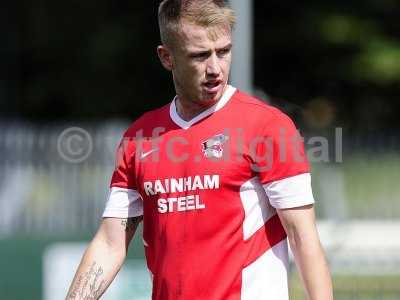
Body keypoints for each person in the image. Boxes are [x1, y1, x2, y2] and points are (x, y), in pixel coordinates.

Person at [66, 0, 333, 299]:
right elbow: (109, 244)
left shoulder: (268, 127)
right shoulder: (138, 138)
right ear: (167, 57)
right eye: (200, 55)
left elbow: (303, 237)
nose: (215, 68)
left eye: (224, 51)